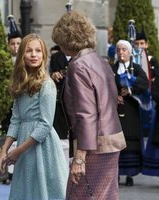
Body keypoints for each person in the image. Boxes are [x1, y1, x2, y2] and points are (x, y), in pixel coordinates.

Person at [52, 11, 126, 200]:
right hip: (112, 140)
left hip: (94, 147)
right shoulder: (100, 61)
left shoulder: (78, 66)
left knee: (79, 195)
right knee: (105, 196)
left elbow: (86, 114)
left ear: (66, 38)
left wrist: (79, 157)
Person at [0, 33, 68, 200]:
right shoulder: (19, 84)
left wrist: (18, 150)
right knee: (25, 191)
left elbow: (45, 125)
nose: (34, 55)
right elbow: (15, 120)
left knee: (43, 191)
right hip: (24, 144)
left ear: (44, 55)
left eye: (38, 51)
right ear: (22, 54)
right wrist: (5, 150)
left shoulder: (47, 84)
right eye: (29, 51)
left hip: (42, 146)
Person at [112, 40, 149, 186]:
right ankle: (116, 173)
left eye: (124, 50)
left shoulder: (136, 68)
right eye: (119, 50)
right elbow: (106, 85)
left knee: (130, 142)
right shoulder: (112, 69)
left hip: (132, 110)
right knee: (117, 142)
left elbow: (144, 83)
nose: (121, 52)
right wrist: (114, 96)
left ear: (129, 52)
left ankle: (130, 174)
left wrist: (131, 90)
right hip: (117, 109)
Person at [1, 14, 22, 184]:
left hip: (21, 105)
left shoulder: (27, 62)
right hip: (7, 104)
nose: (15, 47)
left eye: (18, 44)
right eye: (13, 44)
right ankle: (8, 172)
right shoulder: (3, 62)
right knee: (8, 135)